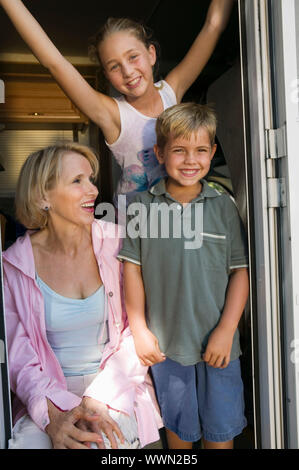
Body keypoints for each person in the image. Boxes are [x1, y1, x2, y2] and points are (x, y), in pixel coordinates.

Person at [2, 141, 162, 449]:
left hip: (116, 388)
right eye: (77, 181)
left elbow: (139, 330)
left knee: (100, 446)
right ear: (42, 196)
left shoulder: (118, 243)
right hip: (47, 394)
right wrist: (55, 413)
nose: (92, 191)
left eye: (90, 179)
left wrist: (97, 399)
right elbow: (18, 358)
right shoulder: (14, 265)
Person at [0, 0, 234, 209]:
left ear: (151, 54)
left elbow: (213, 26)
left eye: (133, 57)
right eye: (114, 66)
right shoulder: (112, 113)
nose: (128, 71)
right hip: (134, 230)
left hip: (176, 218)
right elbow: (55, 63)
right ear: (107, 75)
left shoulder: (171, 92)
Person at [118, 102, 249, 449]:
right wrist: (140, 330)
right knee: (179, 438)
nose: (191, 160)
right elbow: (132, 269)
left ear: (213, 153)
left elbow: (241, 272)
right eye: (179, 150)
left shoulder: (224, 205)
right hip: (166, 348)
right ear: (160, 153)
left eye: (200, 150)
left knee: (220, 437)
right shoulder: (142, 206)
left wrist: (226, 330)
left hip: (219, 347)